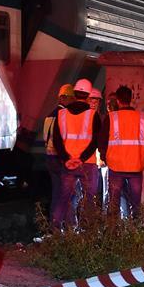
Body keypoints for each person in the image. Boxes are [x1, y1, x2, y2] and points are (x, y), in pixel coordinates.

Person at [97, 85, 144, 221]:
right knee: (135, 205)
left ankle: (113, 236)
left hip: (115, 167)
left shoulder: (111, 118)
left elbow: (101, 142)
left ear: (118, 100)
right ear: (131, 99)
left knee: (113, 203)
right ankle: (135, 233)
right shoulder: (143, 118)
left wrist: (105, 157)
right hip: (136, 168)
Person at [52, 79, 102, 228]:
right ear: (88, 96)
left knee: (64, 198)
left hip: (68, 165)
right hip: (87, 164)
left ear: (74, 94)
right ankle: (89, 232)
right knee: (89, 199)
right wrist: (81, 159)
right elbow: (95, 141)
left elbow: (56, 140)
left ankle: (57, 230)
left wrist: (67, 159)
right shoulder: (93, 115)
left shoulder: (61, 114)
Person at [42, 84, 75, 230]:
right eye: (71, 98)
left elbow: (45, 137)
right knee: (65, 193)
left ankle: (53, 224)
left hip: (49, 157)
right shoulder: (64, 116)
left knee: (56, 191)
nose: (73, 101)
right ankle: (63, 225)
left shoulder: (49, 115)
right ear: (64, 98)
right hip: (60, 158)